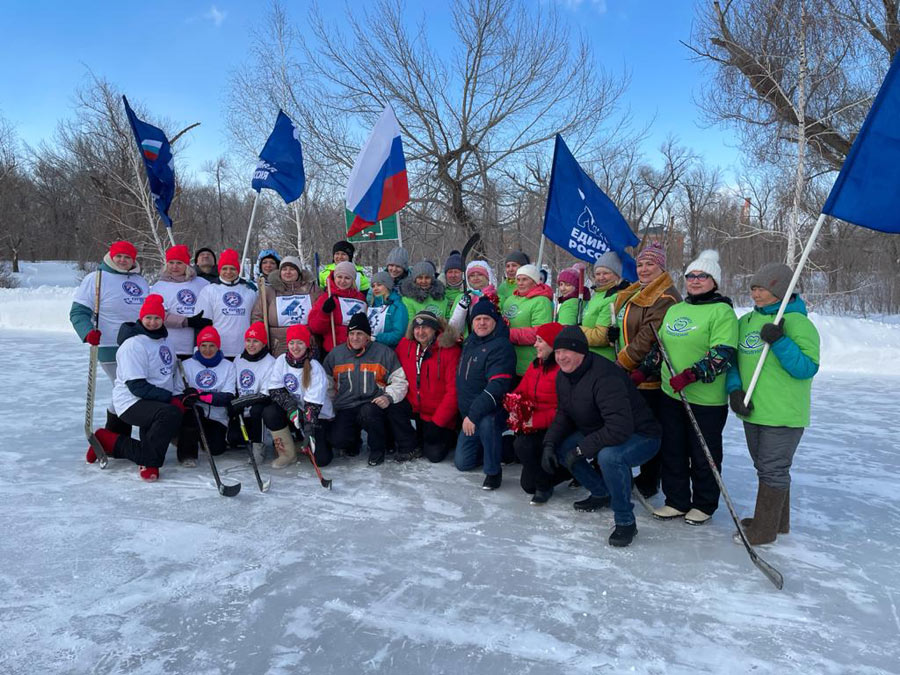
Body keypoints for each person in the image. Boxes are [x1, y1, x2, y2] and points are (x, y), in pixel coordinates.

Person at [541, 326, 662, 547]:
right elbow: (564, 413)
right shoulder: (564, 376)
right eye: (557, 352)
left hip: (641, 435)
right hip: (601, 428)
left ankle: (625, 522)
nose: (560, 357)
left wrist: (581, 450)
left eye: (566, 351)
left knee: (610, 457)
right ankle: (601, 492)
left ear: (582, 352)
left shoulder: (605, 377)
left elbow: (619, 428)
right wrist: (549, 443)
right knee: (561, 446)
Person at [727, 263, 819, 545]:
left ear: (780, 290)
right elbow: (734, 361)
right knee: (765, 467)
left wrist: (780, 341)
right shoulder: (746, 322)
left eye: (762, 288)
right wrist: (734, 390)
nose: (755, 293)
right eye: (753, 287)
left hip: (783, 413)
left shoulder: (799, 324)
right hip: (753, 410)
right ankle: (778, 522)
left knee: (772, 469)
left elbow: (806, 367)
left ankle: (763, 531)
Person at [643, 250, 738, 526]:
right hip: (670, 394)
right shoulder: (676, 309)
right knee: (672, 448)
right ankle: (676, 500)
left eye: (702, 276)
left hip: (705, 399)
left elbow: (723, 353)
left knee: (702, 451)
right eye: (691, 276)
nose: (695, 281)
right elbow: (661, 347)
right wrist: (644, 368)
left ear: (714, 281)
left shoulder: (722, 312)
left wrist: (692, 374)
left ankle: (704, 503)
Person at [597, 242, 681, 499]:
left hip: (648, 374)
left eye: (650, 264)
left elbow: (648, 337)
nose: (644, 269)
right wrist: (614, 336)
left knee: (648, 428)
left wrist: (622, 363)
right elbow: (626, 326)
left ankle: (650, 478)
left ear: (662, 268)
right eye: (641, 264)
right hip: (629, 370)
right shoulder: (636, 291)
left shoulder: (665, 298)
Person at [85, 294, 184, 482]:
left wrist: (178, 395)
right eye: (148, 318)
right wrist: (169, 399)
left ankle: (143, 456)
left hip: (154, 400)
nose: (153, 322)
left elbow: (172, 373)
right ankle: (114, 443)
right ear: (141, 318)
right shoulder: (133, 345)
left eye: (157, 318)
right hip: (132, 402)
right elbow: (136, 386)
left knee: (171, 412)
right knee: (169, 414)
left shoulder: (166, 341)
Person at [70, 239, 150, 436]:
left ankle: (114, 438)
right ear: (111, 256)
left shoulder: (140, 281)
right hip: (110, 345)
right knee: (126, 389)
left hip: (138, 346)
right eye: (119, 256)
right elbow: (78, 312)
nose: (123, 260)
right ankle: (113, 437)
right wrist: (87, 332)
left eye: (127, 257)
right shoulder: (96, 278)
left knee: (125, 389)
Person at [323, 313, 415, 466]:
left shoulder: (383, 352)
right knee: (338, 440)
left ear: (368, 335)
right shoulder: (335, 355)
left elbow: (400, 381)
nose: (355, 338)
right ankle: (353, 442)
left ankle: (378, 449)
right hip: (347, 406)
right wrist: (329, 409)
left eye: (360, 333)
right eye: (351, 333)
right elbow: (327, 386)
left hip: (372, 405)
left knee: (369, 413)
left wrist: (388, 397)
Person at [455, 297, 516, 489]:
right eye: (477, 319)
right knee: (463, 463)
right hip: (470, 412)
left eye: (486, 319)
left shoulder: (501, 346)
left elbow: (497, 386)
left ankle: (493, 471)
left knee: (487, 422)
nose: (482, 323)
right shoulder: (470, 342)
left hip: (491, 411)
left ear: (495, 322)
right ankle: (501, 447)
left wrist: (473, 415)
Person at [505, 322, 569, 504]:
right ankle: (559, 473)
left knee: (522, 445)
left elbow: (565, 410)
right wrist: (513, 406)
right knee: (527, 485)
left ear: (552, 344)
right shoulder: (536, 366)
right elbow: (520, 390)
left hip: (554, 427)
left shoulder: (562, 372)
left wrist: (535, 420)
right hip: (533, 424)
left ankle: (545, 485)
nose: (535, 344)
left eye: (540, 341)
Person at [263, 324, 335, 468]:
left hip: (318, 416)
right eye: (291, 343)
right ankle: (287, 454)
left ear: (307, 344)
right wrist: (290, 407)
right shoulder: (281, 361)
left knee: (321, 460)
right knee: (270, 412)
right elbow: (275, 389)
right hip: (296, 411)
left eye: (300, 343)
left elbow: (313, 404)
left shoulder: (315, 368)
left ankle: (308, 440)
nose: (295, 347)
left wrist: (308, 428)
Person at [395, 311, 461, 462]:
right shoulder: (405, 345)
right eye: (417, 328)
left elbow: (453, 392)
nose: (420, 332)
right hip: (414, 408)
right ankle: (410, 445)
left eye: (426, 328)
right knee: (393, 406)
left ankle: (450, 435)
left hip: (436, 413)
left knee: (433, 455)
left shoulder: (450, 350)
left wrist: (438, 422)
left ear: (435, 329)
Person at [178, 326, 237, 465]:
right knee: (193, 413)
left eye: (212, 345)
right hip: (196, 413)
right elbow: (177, 392)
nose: (207, 349)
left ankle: (201, 437)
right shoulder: (186, 365)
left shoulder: (228, 366)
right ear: (198, 346)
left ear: (218, 346)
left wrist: (200, 395)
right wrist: (186, 398)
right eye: (203, 345)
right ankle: (187, 455)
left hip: (217, 417)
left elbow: (228, 396)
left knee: (216, 450)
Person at [150, 244, 211, 358]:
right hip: (169, 344)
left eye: (179, 263)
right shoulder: (159, 287)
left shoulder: (202, 283)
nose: (174, 267)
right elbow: (156, 315)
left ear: (186, 265)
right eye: (171, 263)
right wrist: (186, 321)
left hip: (199, 346)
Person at [250, 255, 320, 356]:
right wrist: (260, 338)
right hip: (279, 345)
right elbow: (257, 317)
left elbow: (321, 316)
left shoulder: (313, 290)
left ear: (299, 272)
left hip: (307, 343)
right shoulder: (269, 291)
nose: (287, 272)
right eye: (284, 269)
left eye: (292, 269)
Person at [195, 248, 259, 359]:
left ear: (238, 270)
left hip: (245, 349)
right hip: (218, 349)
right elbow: (202, 322)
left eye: (232, 268)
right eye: (224, 268)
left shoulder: (249, 290)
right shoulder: (209, 290)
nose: (228, 272)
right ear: (219, 269)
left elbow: (256, 319)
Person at [230, 321, 277, 465]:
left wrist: (244, 401)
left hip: (259, 403)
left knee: (258, 411)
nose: (251, 345)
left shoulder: (270, 362)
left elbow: (265, 394)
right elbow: (233, 383)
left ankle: (258, 446)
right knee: (232, 439)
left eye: (255, 341)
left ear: (263, 343)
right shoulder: (239, 359)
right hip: (241, 405)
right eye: (248, 341)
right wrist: (236, 399)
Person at [502, 263, 553, 378]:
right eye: (518, 279)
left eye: (525, 279)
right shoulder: (510, 300)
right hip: (507, 361)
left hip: (528, 364)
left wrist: (508, 334)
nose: (520, 283)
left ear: (535, 281)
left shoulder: (541, 301)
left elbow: (540, 333)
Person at [580, 252, 630, 361]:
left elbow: (601, 337)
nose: (601, 277)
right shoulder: (598, 294)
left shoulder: (613, 297)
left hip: (603, 359)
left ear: (617, 274)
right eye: (598, 274)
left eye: (606, 273)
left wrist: (577, 331)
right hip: (589, 355)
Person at [308, 261, 367, 353]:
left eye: (347, 278)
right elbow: (315, 328)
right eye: (339, 277)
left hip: (357, 349)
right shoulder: (326, 297)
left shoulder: (360, 298)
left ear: (353, 280)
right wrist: (324, 313)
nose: (342, 281)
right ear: (334, 277)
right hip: (334, 350)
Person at [447, 260, 498, 333]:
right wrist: (462, 307)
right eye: (472, 275)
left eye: (480, 274)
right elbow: (453, 328)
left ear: (488, 277)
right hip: (469, 341)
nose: (476, 278)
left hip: (492, 342)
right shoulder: (461, 297)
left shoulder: (497, 297)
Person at [367, 271, 409, 348]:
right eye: (373, 286)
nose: (375, 288)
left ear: (388, 286)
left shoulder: (397, 307)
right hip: (369, 348)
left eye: (379, 285)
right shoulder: (371, 306)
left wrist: (376, 338)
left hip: (388, 350)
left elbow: (398, 334)